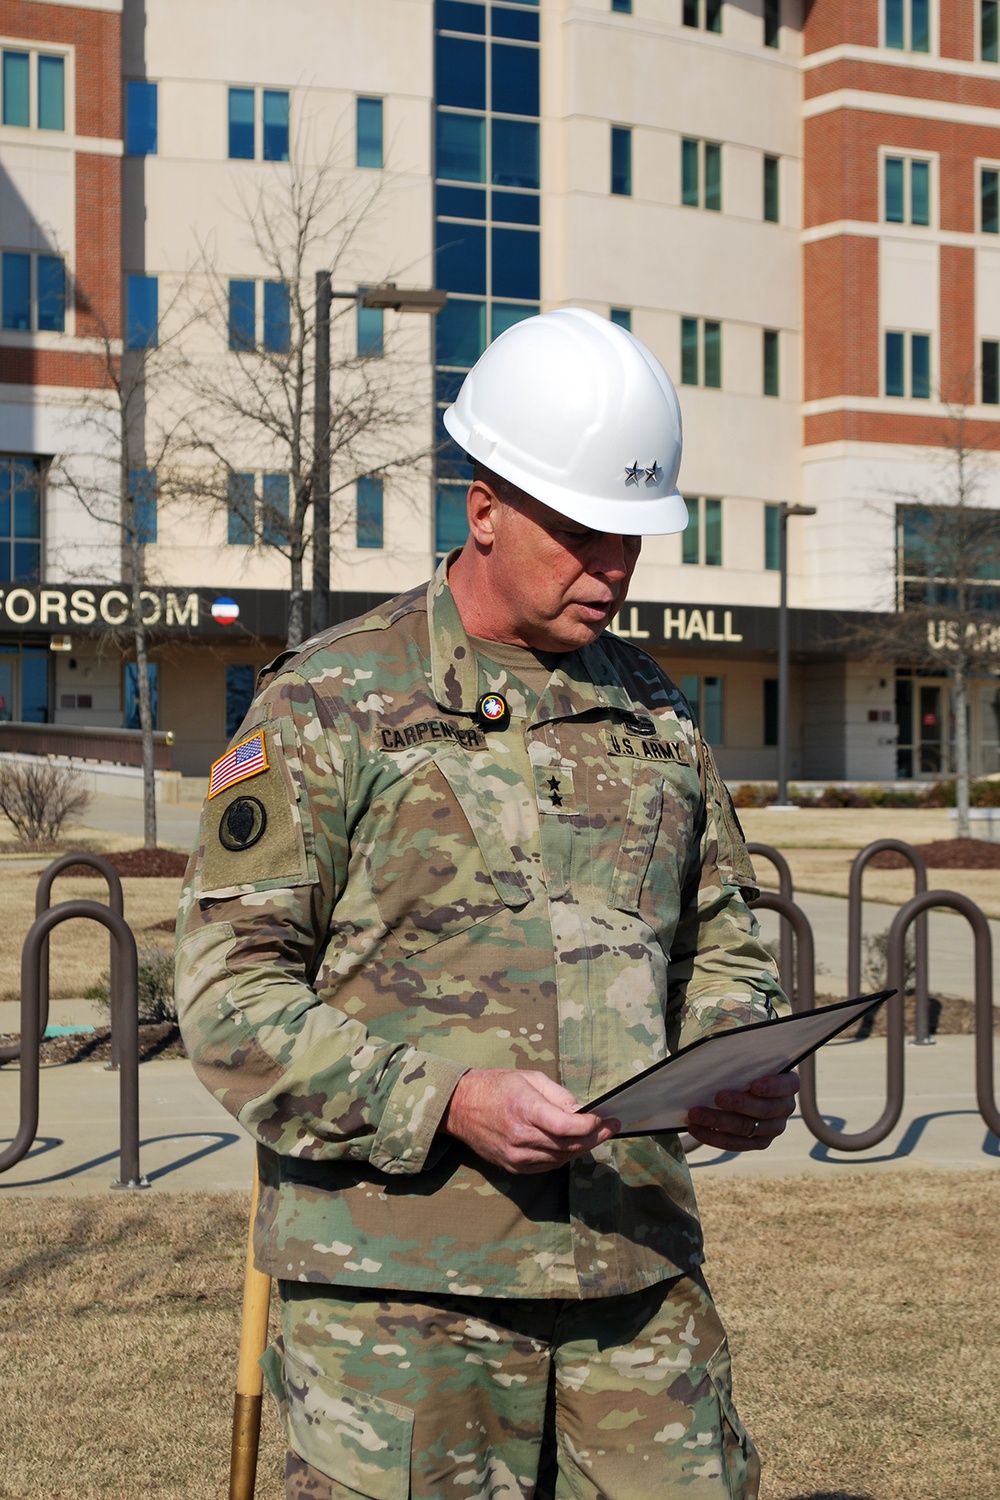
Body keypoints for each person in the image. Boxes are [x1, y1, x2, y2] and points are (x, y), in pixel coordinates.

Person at [176, 307, 798, 1500]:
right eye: (581, 532)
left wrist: (730, 1056)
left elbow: (721, 944)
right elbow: (229, 995)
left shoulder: (656, 715)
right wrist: (447, 1100)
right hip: (400, 1307)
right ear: (485, 507)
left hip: (634, 1280)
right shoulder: (330, 703)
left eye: (632, 536)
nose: (611, 568)